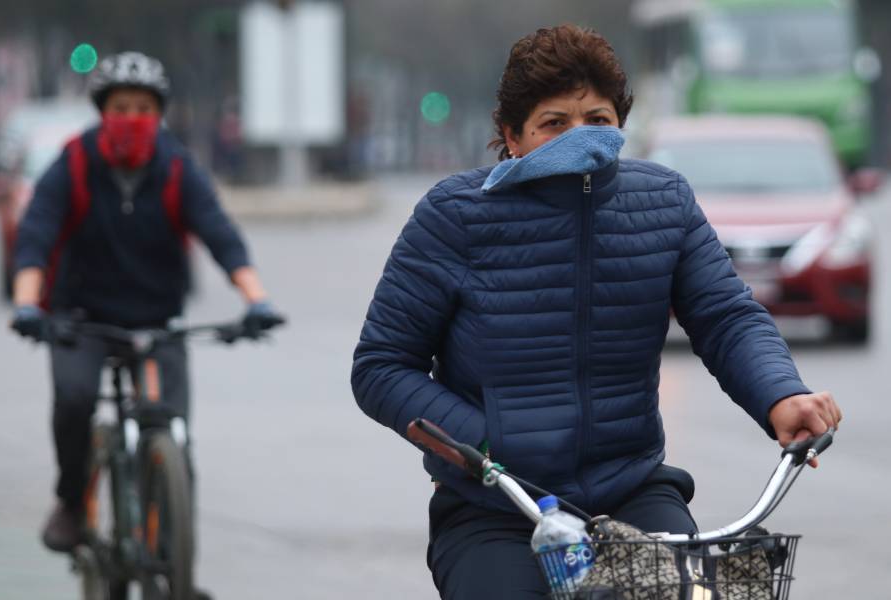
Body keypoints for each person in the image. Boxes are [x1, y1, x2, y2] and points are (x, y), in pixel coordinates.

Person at [351, 25, 841, 599]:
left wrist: (780, 394)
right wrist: (483, 446)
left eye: (598, 120)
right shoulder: (453, 217)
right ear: (512, 136)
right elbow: (381, 366)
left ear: (620, 124)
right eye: (554, 123)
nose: (579, 137)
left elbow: (726, 316)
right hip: (496, 507)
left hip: (631, 491)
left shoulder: (664, 201)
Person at [9, 51, 284, 553]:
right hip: (83, 318)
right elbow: (36, 235)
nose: (132, 119)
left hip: (158, 319)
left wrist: (257, 300)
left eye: (143, 108)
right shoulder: (74, 162)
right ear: (102, 112)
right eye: (121, 107)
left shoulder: (176, 166)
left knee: (173, 428)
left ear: (158, 114)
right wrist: (27, 305)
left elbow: (220, 234)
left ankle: (177, 554)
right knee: (73, 401)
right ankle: (72, 502)